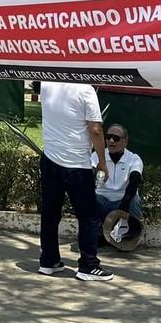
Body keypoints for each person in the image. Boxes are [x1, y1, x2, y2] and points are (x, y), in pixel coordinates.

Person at [38, 81, 112, 281]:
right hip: (77, 164)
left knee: (50, 213)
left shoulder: (46, 84)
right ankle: (88, 265)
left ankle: (48, 260)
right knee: (88, 216)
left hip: (50, 159)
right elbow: (95, 129)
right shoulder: (86, 91)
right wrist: (103, 163)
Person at [93, 123, 144, 231]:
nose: (111, 141)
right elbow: (88, 174)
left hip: (122, 201)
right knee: (89, 197)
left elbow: (135, 180)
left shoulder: (133, 159)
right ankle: (97, 231)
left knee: (134, 199)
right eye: (108, 137)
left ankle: (132, 232)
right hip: (102, 200)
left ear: (125, 141)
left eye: (116, 138)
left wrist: (124, 204)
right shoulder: (96, 156)